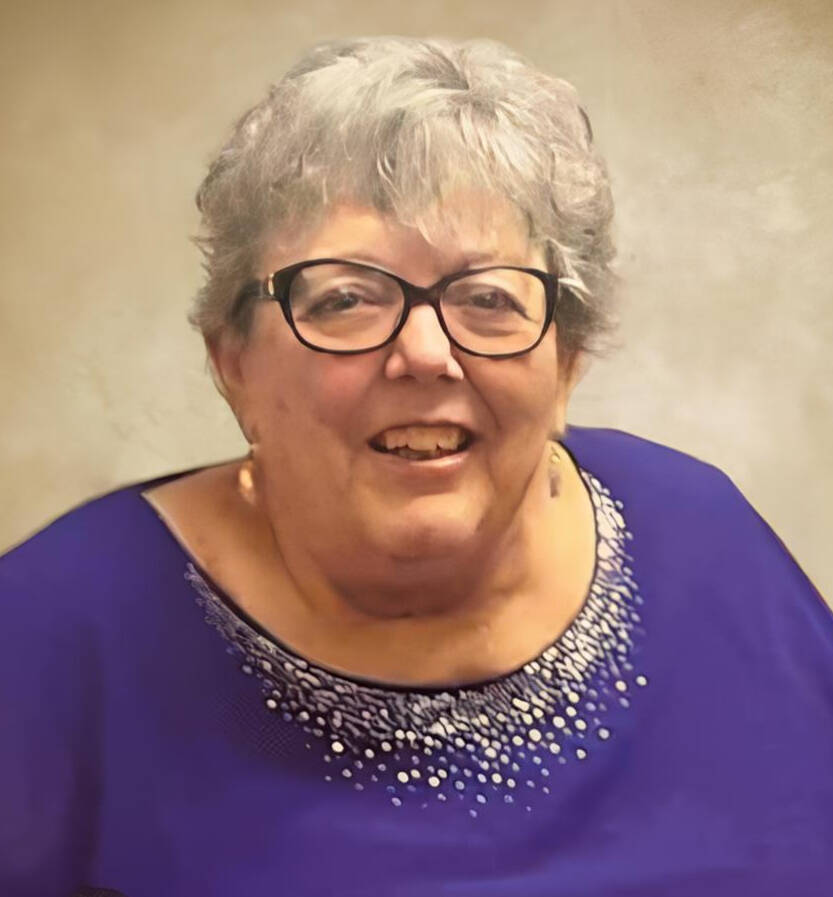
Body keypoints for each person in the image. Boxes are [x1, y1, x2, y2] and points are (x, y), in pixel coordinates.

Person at [1, 35, 831, 897]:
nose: (426, 354)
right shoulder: (55, 632)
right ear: (233, 362)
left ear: (566, 362)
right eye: (347, 298)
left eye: (487, 298)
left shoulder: (700, 541)